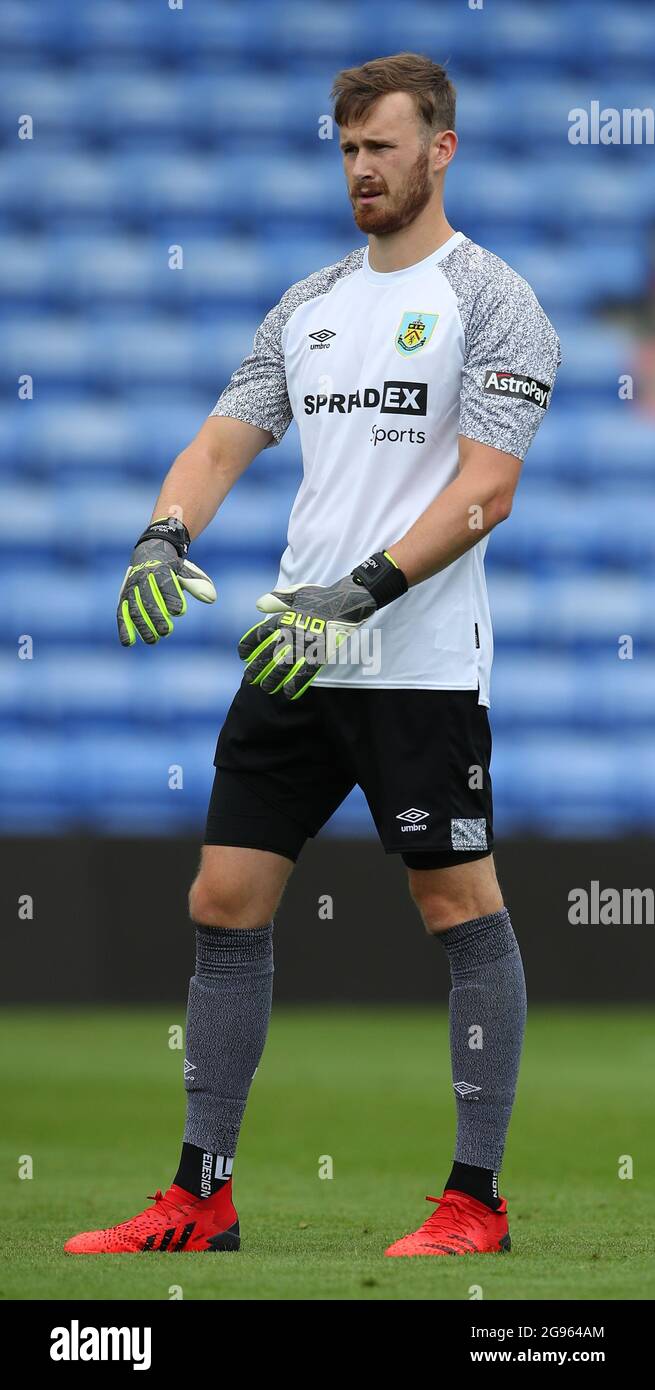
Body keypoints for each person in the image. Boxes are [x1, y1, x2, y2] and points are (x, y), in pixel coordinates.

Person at [65, 52, 560, 1258]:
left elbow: (484, 493)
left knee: (457, 906)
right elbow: (222, 445)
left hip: (420, 664)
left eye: (382, 147)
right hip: (296, 656)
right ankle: (202, 1196)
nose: (360, 170)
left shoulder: (495, 300)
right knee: (221, 902)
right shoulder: (308, 304)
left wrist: (360, 592)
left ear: (440, 149)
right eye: (345, 149)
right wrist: (160, 534)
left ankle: (475, 1202)